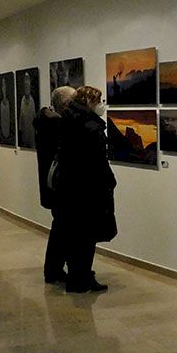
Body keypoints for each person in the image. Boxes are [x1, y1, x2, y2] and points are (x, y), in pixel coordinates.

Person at [56, 85, 116, 293]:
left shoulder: (68, 120)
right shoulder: (89, 126)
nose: (102, 105)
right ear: (89, 102)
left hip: (72, 189)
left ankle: (77, 277)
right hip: (89, 190)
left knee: (77, 236)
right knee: (86, 238)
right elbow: (96, 162)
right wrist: (108, 182)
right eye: (99, 100)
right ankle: (81, 279)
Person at [33, 86, 75, 284]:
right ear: (64, 104)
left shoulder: (45, 122)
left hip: (54, 186)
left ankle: (54, 269)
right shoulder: (55, 125)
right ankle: (54, 270)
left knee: (60, 228)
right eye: (72, 102)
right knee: (62, 229)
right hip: (60, 187)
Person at [17, 72, 36, 148]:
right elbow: (21, 117)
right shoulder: (22, 100)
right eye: (25, 80)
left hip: (32, 135)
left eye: (28, 80)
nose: (27, 83)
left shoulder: (33, 101)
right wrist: (20, 129)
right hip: (24, 135)